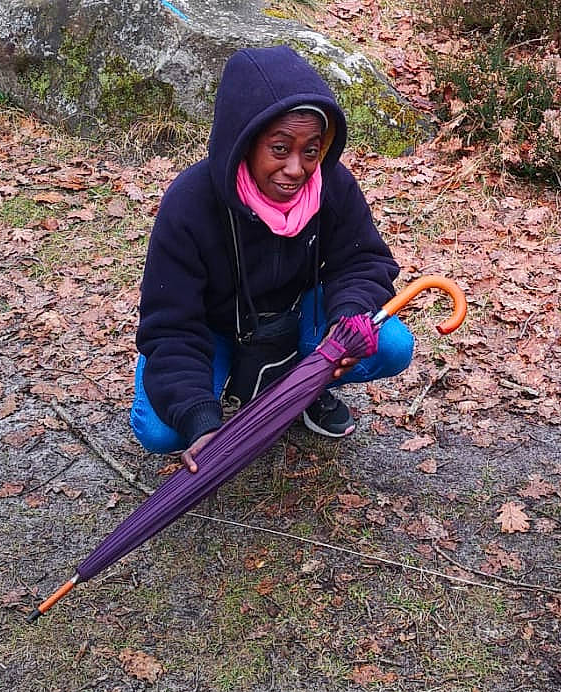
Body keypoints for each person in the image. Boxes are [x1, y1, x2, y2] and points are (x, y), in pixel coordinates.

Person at [130, 44, 414, 468]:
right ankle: (227, 387)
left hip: (298, 320)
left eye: (311, 150)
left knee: (391, 345)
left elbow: (362, 262)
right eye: (280, 149)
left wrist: (347, 319)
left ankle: (300, 389)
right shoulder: (189, 205)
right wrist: (200, 420)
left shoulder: (331, 186)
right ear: (243, 142)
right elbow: (172, 325)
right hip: (213, 333)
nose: (297, 169)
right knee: (162, 429)